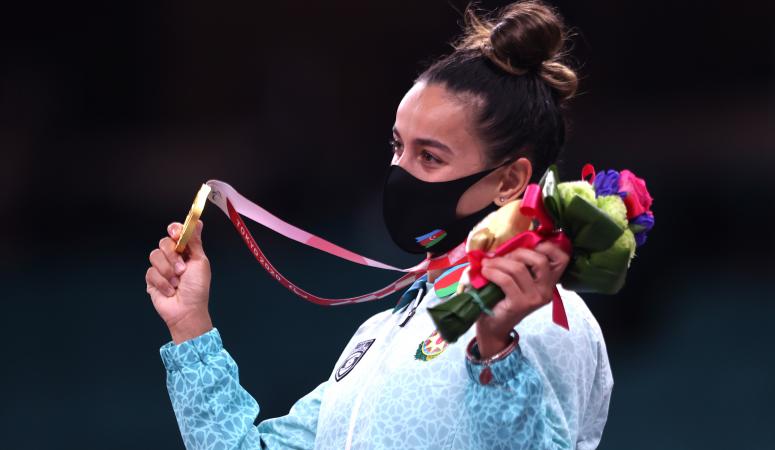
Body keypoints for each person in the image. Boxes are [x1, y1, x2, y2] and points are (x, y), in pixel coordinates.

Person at [145, 1, 612, 448]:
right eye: (397, 148)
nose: (400, 172)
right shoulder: (377, 337)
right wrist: (191, 328)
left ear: (509, 180)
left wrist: (495, 350)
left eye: (429, 157)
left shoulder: (545, 316)